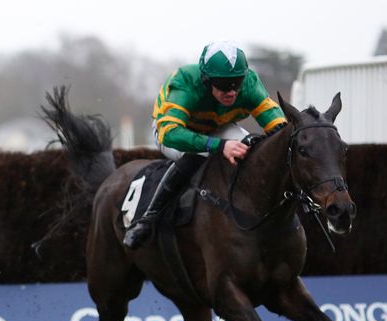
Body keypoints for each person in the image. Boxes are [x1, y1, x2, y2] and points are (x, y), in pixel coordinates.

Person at [123, 41, 287, 249]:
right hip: (174, 133)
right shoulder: (185, 82)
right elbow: (170, 133)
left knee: (248, 148)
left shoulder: (249, 84)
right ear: (206, 80)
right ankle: (148, 218)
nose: (231, 91)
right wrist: (219, 146)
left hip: (218, 127)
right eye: (223, 84)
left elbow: (279, 128)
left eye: (236, 82)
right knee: (197, 154)